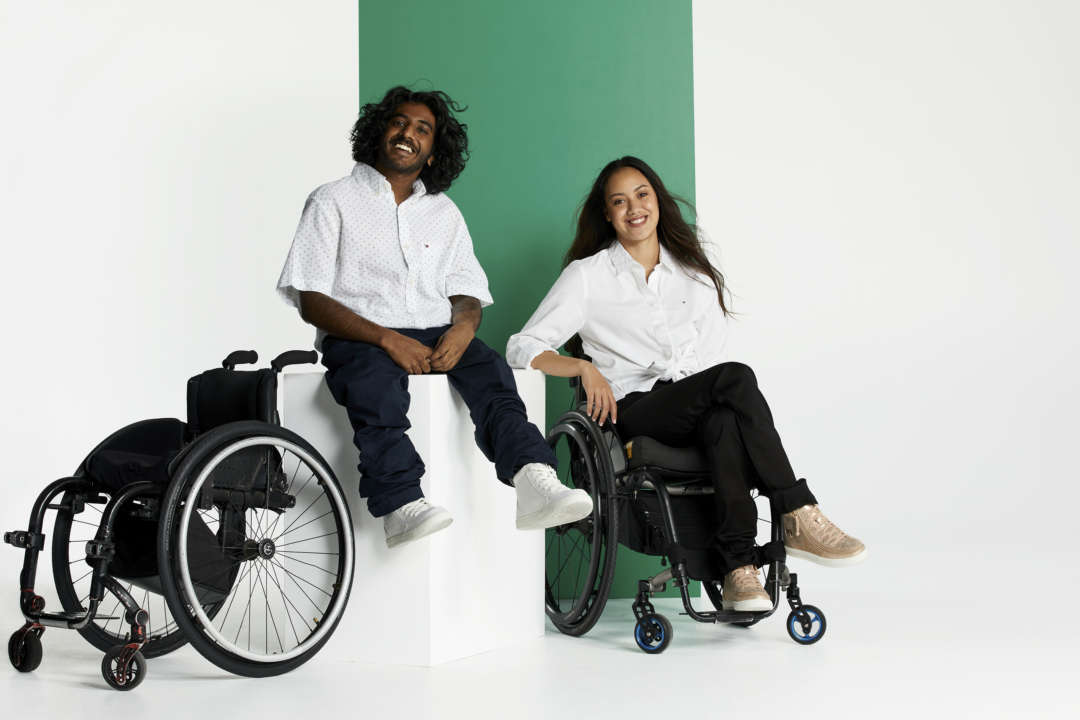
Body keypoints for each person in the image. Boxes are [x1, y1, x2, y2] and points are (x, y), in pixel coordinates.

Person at [507, 156, 865, 611]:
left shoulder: (692, 271)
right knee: (736, 378)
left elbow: (708, 360)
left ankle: (738, 568)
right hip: (633, 409)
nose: (633, 208)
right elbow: (521, 347)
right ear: (607, 215)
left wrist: (714, 401)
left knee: (723, 419)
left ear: (657, 200)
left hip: (691, 401)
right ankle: (796, 510)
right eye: (619, 201)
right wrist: (582, 368)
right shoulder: (589, 276)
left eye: (642, 195)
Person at [276, 86, 592, 548]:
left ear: (431, 152)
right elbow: (311, 299)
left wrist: (465, 326)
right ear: (379, 131)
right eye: (400, 122)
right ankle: (400, 505)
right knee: (376, 395)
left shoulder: (444, 213)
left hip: (439, 331)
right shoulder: (332, 200)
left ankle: (533, 481)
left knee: (493, 377)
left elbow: (466, 291)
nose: (409, 134)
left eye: (423, 130)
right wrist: (387, 339)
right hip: (361, 336)